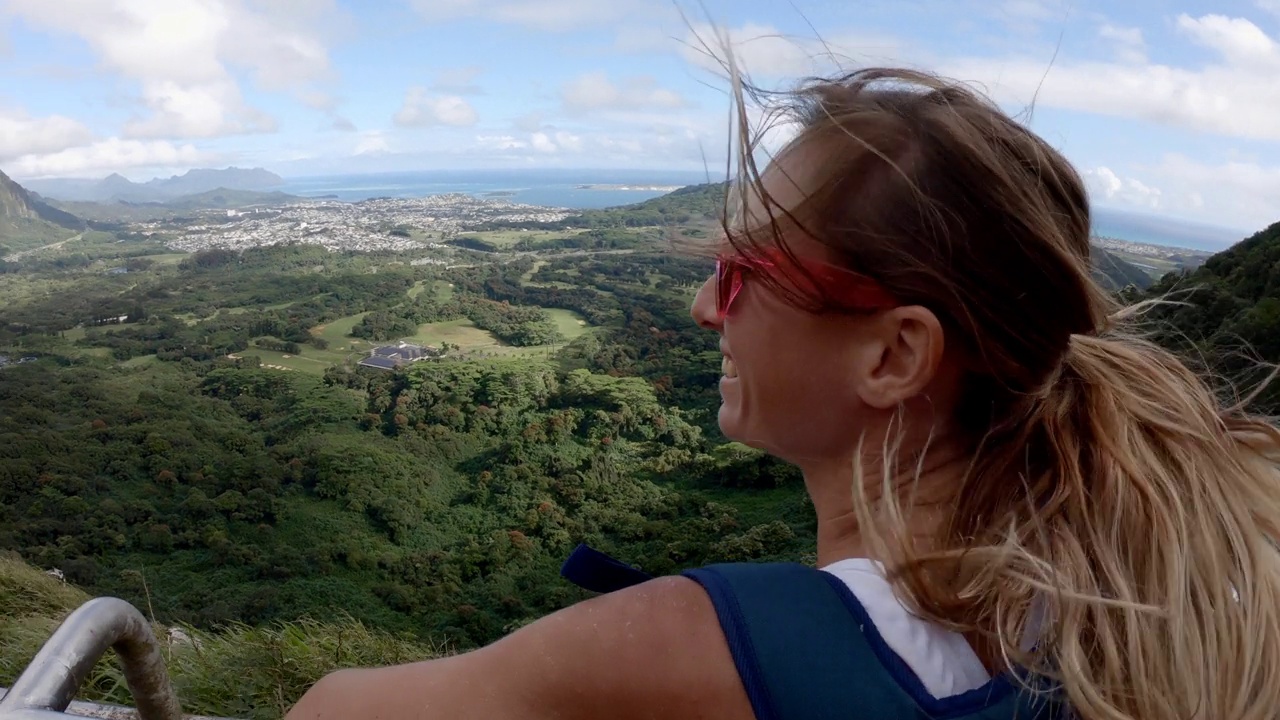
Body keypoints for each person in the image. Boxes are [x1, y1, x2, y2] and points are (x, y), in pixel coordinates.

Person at [285, 65, 1280, 720]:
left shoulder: (723, 646)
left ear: (893, 356)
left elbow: (326, 709)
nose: (701, 308)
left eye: (738, 275)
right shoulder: (1145, 620)